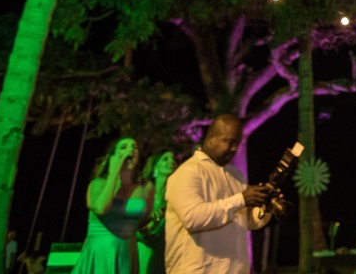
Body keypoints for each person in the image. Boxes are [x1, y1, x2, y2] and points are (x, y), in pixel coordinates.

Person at [165, 115, 275, 274]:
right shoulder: (188, 172)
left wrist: (266, 206)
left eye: (237, 143)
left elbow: (246, 222)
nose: (234, 149)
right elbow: (192, 218)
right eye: (229, 141)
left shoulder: (236, 175)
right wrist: (241, 199)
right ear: (211, 138)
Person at [71, 137, 152, 274]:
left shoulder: (145, 188)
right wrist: (114, 174)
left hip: (127, 252)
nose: (130, 150)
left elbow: (143, 222)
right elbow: (101, 208)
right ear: (112, 156)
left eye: (134, 147)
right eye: (123, 147)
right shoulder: (98, 184)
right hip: (101, 251)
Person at [136, 148, 177, 274]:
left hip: (163, 249)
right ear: (155, 166)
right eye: (165, 159)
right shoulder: (143, 191)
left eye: (173, 159)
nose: (171, 161)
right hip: (142, 246)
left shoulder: (174, 194)